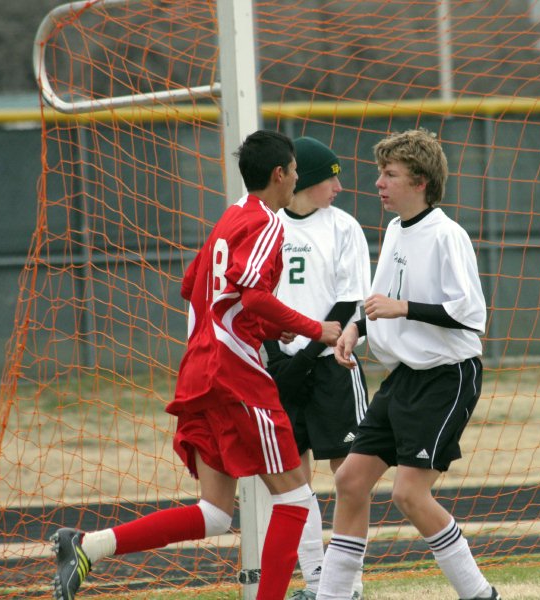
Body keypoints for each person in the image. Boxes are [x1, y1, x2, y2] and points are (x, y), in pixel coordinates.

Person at [50, 130, 342, 600]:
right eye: (293, 170)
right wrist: (315, 328)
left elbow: (197, 290)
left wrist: (266, 328)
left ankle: (88, 546)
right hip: (236, 375)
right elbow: (253, 296)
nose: (295, 178)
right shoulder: (269, 223)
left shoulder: (228, 219)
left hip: (199, 371)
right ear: (280, 174)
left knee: (214, 513)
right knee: (295, 499)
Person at [316, 129, 500, 600]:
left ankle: (481, 595)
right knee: (350, 480)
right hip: (405, 379)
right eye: (381, 172)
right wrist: (356, 328)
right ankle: (335, 596)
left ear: (419, 181)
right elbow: (377, 299)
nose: (379, 182)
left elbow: (471, 315)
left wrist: (406, 308)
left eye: (390, 174)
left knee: (408, 495)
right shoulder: (397, 229)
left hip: (446, 378)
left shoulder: (447, 236)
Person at [261, 136, 371, 600]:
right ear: (305, 180)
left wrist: (305, 356)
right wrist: (272, 354)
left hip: (331, 367)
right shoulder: (266, 227)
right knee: (291, 480)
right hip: (279, 370)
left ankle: (348, 585)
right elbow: (254, 295)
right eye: (331, 177)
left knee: (350, 474)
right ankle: (315, 582)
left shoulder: (344, 228)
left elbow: (352, 302)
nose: (339, 186)